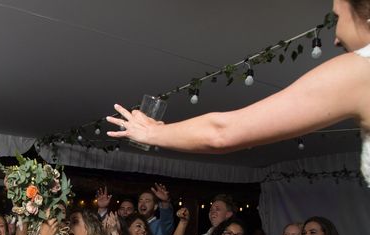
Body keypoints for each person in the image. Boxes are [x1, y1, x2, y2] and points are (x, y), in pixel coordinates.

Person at [106, 0, 370, 184]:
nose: (335, 36)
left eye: (338, 17)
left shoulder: (361, 70)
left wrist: (152, 132)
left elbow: (223, 132)